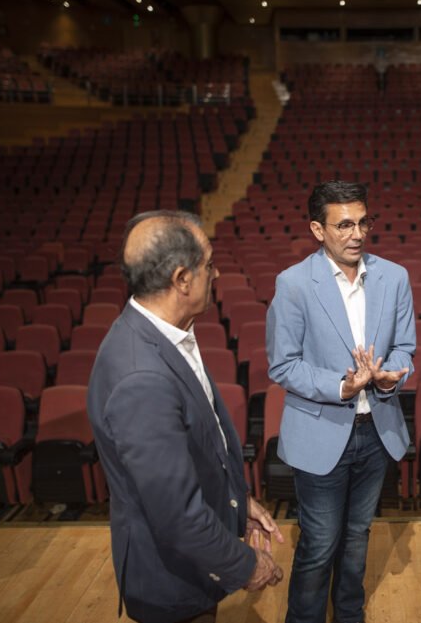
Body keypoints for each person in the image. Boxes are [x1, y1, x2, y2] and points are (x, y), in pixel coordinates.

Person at [88, 210, 284, 623]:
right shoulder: (141, 377)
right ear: (181, 279)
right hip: (169, 581)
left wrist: (237, 500)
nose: (215, 273)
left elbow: (198, 442)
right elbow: (176, 514)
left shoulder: (159, 333)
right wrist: (246, 564)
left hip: (187, 567)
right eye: (209, 265)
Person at [266, 180, 416, 623]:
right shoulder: (293, 284)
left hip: (377, 432)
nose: (357, 234)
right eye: (344, 225)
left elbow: (406, 347)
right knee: (319, 545)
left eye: (363, 222)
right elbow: (284, 365)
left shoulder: (394, 277)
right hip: (321, 434)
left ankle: (350, 615)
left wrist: (389, 377)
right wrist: (341, 387)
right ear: (318, 229)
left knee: (357, 538)